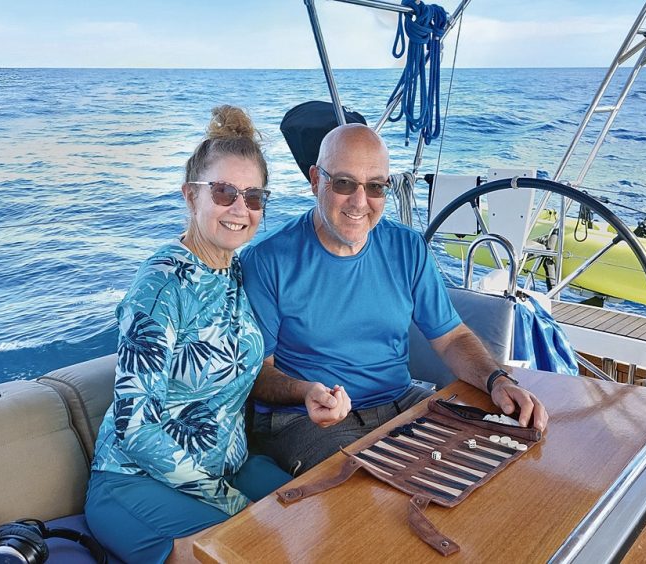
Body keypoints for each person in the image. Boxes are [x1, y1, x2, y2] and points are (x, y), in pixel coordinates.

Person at [241, 123, 548, 476]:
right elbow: (258, 374)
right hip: (305, 421)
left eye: (375, 187)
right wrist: (306, 391)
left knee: (502, 448)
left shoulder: (407, 247)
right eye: (344, 183)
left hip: (400, 403)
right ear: (315, 180)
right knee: (371, 496)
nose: (360, 202)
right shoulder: (266, 260)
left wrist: (498, 382)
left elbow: (452, 338)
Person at [85, 106, 291, 564]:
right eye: (223, 191)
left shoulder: (235, 269)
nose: (240, 208)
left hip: (229, 469)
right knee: (245, 550)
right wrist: (234, 505)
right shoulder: (160, 287)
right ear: (190, 196)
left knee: (322, 515)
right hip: (134, 480)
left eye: (254, 196)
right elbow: (135, 427)